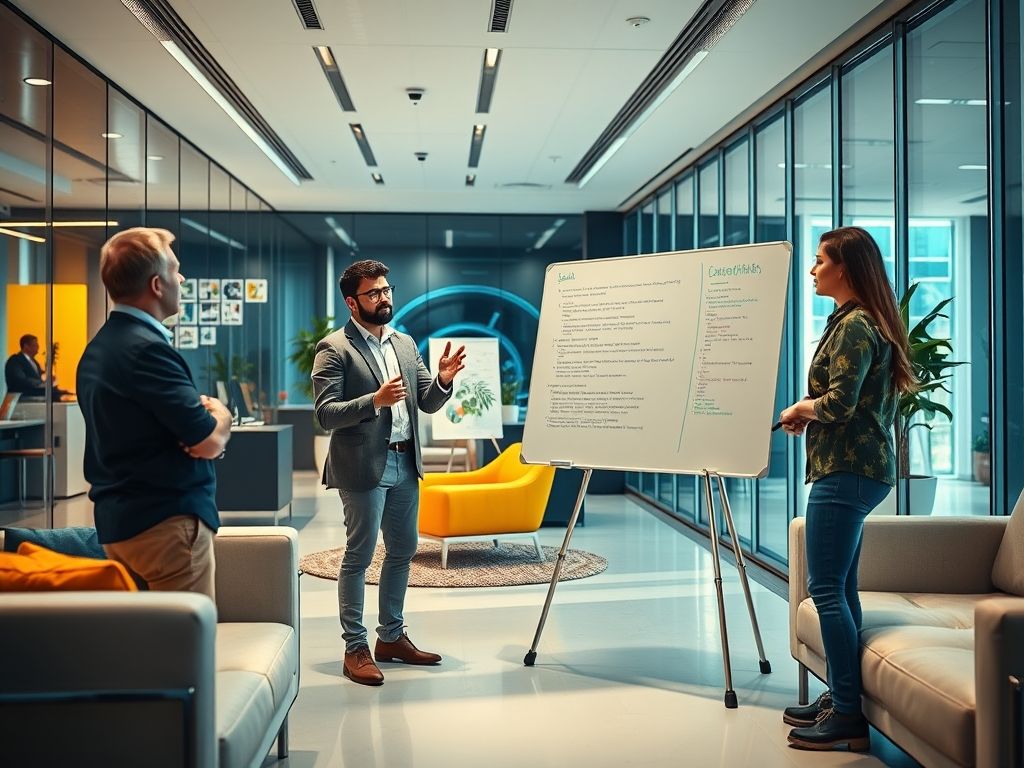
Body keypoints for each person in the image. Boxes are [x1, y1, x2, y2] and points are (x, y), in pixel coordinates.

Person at [778, 227, 917, 751]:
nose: (813, 270)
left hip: (847, 471)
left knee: (825, 590)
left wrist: (801, 408)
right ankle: (843, 697)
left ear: (845, 268)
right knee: (841, 588)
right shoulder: (856, 320)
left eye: (820, 260)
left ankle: (847, 715)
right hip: (857, 469)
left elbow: (838, 403)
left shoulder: (856, 324)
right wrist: (809, 414)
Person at [312, 259, 466, 686]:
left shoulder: (404, 343)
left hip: (404, 462)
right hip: (362, 465)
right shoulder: (334, 348)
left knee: (403, 550)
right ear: (352, 302)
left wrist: (443, 380)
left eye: (386, 290)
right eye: (373, 293)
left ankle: (392, 637)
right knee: (359, 556)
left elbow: (426, 402)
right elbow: (325, 414)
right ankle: (355, 648)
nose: (383, 298)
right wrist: (374, 401)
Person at [77, 227, 232, 600]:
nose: (182, 279)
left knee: (145, 634)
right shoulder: (147, 350)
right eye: (175, 270)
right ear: (157, 285)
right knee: (186, 636)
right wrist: (222, 417)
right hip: (166, 526)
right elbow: (207, 441)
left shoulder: (100, 348)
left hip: (123, 522)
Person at [4, 334, 71, 399]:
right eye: (35, 345)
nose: (38, 347)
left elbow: (38, 375)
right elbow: (21, 380)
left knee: (61, 392)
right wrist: (42, 382)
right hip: (22, 397)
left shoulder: (34, 362)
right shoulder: (15, 361)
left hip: (34, 395)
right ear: (26, 346)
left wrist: (48, 377)